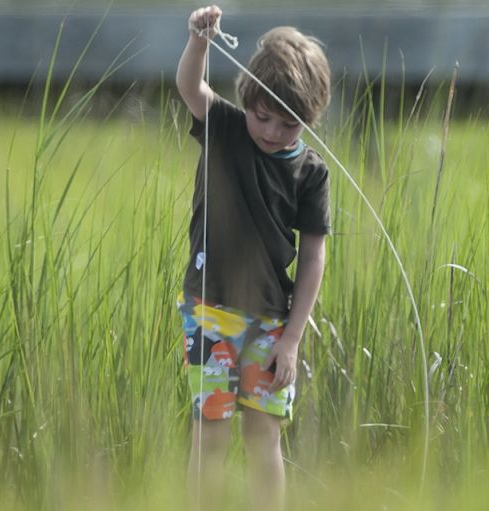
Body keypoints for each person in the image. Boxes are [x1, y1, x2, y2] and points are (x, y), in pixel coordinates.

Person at [175, 5, 331, 509]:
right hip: (209, 310)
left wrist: (291, 339)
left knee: (264, 435)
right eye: (263, 117)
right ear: (248, 101)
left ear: (308, 121)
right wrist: (199, 40)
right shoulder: (224, 126)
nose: (270, 132)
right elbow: (189, 87)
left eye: (288, 125)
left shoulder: (311, 173)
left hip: (270, 322)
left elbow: (312, 258)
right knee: (212, 431)